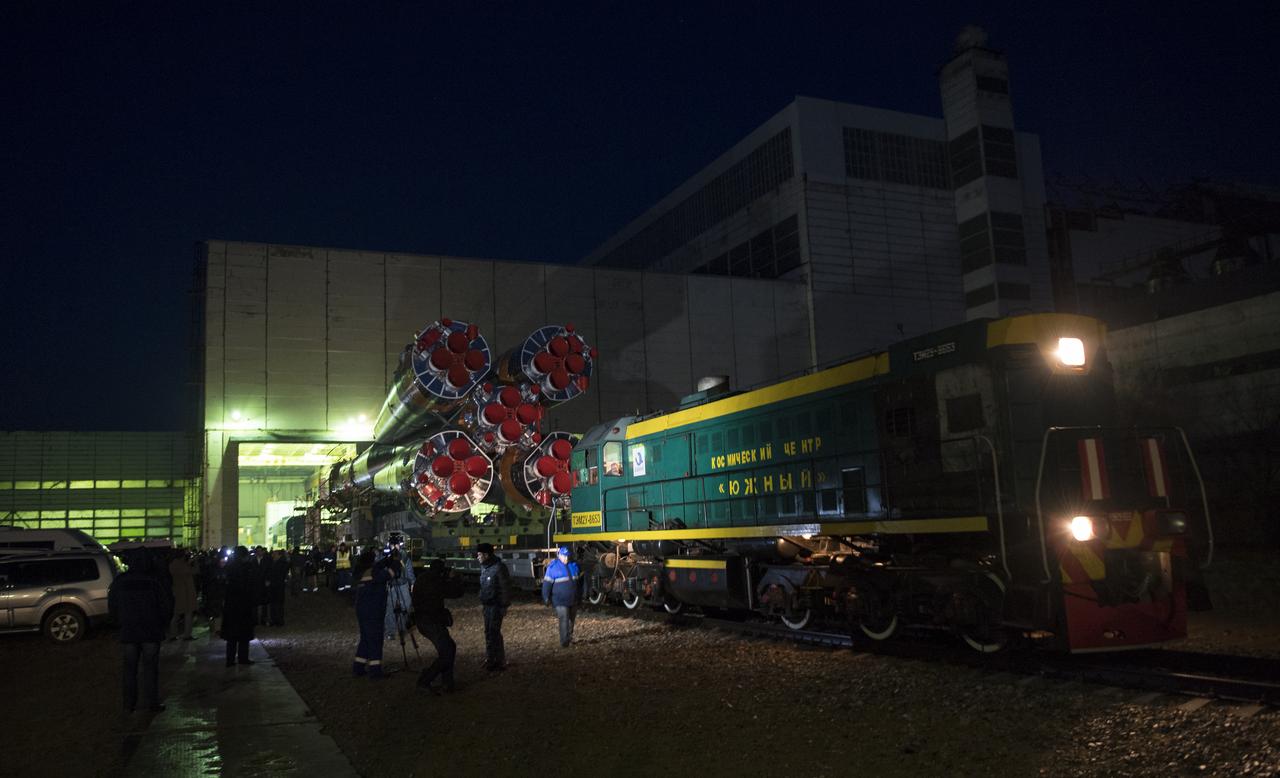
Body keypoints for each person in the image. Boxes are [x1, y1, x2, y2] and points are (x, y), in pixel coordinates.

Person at [108, 549, 174, 713]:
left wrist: (119, 623)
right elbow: (166, 606)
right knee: (150, 669)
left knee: (129, 669)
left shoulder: (120, 581)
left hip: (129, 631)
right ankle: (151, 702)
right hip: (151, 631)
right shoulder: (154, 581)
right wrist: (163, 624)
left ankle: (129, 704)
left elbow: (112, 607)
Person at [412, 558, 464, 694]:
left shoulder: (422, 578)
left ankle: (447, 682)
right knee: (447, 651)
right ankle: (425, 681)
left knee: (448, 648)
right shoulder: (436, 581)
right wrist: (455, 578)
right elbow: (457, 593)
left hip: (424, 621)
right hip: (432, 622)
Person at [352, 549, 398, 678]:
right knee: (375, 639)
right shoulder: (373, 572)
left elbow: (377, 568)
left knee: (366, 639)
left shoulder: (363, 571)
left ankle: (358, 667)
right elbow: (389, 575)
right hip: (373, 610)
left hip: (362, 609)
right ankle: (375, 671)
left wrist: (385, 561)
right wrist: (395, 563)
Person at [476, 543, 511, 671]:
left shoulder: (498, 568)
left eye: (479, 554)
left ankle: (499, 661)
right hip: (487, 606)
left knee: (494, 633)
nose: (477, 557)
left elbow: (505, 588)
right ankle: (491, 659)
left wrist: (504, 606)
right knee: (489, 633)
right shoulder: (485, 568)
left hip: (496, 606)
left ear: (486, 555)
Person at [221, 546, 258, 667]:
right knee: (243, 635)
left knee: (232, 636)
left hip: (231, 605)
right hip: (243, 604)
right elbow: (249, 585)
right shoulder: (246, 568)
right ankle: (243, 657)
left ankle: (230, 659)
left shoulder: (229, 567)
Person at [541, 545, 583, 647]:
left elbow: (579, 582)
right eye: (564, 556)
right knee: (564, 618)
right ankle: (564, 641)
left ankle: (569, 637)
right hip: (560, 600)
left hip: (573, 599)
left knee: (571, 620)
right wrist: (546, 597)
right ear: (559, 555)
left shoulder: (574, 566)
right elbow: (547, 584)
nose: (566, 558)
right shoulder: (553, 568)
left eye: (567, 556)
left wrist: (581, 595)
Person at [384, 546, 414, 640]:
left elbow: (409, 569)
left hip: (403, 584)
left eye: (396, 544)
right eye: (392, 544)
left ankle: (402, 628)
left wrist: (412, 582)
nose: (395, 546)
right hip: (391, 585)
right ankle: (390, 631)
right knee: (390, 608)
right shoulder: (386, 556)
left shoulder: (404, 556)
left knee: (406, 606)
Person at [168, 548, 198, 640]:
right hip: (186, 592)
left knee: (176, 614)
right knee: (188, 613)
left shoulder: (173, 564)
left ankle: (173, 634)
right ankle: (186, 634)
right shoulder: (181, 565)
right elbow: (195, 571)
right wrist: (195, 562)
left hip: (178, 591)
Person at [266, 549, 289, 625]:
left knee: (278, 604)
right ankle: (274, 619)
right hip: (274, 586)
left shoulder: (282, 563)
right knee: (273, 603)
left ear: (279, 555)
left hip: (278, 585)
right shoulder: (272, 562)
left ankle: (279, 620)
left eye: (274, 554)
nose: (273, 555)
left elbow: (281, 575)